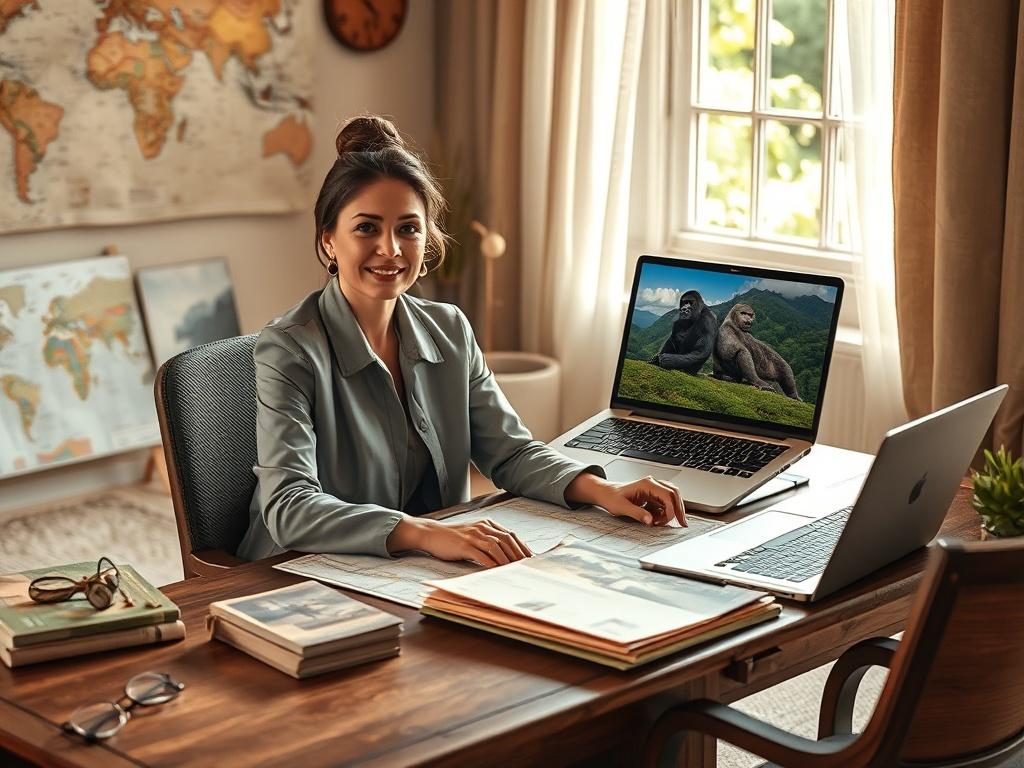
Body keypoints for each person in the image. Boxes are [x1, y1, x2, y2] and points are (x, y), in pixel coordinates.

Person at [237, 115, 686, 567]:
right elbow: (288, 508)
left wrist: (604, 491)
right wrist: (427, 533)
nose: (391, 249)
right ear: (329, 240)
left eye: (408, 228)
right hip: (296, 571)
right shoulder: (288, 348)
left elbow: (509, 452)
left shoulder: (449, 329)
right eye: (367, 228)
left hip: (409, 567)